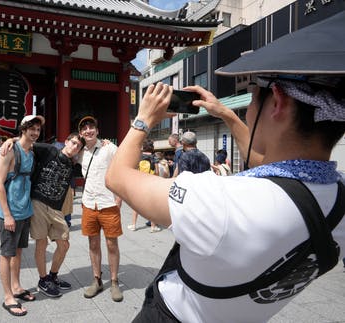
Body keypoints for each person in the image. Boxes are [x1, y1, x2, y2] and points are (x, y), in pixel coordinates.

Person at [105, 72, 345, 322]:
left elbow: (117, 177)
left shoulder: (222, 201)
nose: (248, 112)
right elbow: (276, 168)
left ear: (277, 102)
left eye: (251, 99)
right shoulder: (338, 195)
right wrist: (226, 114)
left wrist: (143, 119)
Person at [0, 115, 44, 316]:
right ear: (23, 129)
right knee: (7, 254)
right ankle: (8, 297)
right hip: (10, 212)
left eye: (38, 129)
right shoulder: (9, 151)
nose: (35, 132)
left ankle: (16, 286)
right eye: (31, 128)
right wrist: (7, 215)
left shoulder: (30, 151)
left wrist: (13, 138)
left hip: (24, 210)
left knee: (19, 251)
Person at [29, 132, 85, 298]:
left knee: (64, 244)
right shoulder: (50, 150)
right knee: (41, 243)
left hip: (56, 209)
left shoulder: (73, 164)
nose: (74, 147)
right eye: (73, 143)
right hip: (38, 202)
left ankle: (53, 275)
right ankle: (42, 279)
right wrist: (11, 141)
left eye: (78, 146)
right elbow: (27, 143)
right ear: (66, 141)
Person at [78, 116, 124, 302]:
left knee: (112, 244)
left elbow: (123, 168)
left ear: (97, 130)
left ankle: (114, 281)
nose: (88, 130)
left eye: (91, 127)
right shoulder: (79, 151)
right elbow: (59, 149)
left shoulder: (109, 148)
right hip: (89, 203)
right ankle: (97, 279)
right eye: (84, 128)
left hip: (108, 203)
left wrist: (119, 197)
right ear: (80, 133)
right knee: (93, 244)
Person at [128, 138, 161, 233]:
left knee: (136, 206)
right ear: (152, 147)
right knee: (152, 206)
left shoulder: (139, 157)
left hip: (139, 183)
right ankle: (153, 227)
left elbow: (134, 169)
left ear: (144, 147)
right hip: (150, 183)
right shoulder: (154, 157)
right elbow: (157, 172)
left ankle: (133, 225)